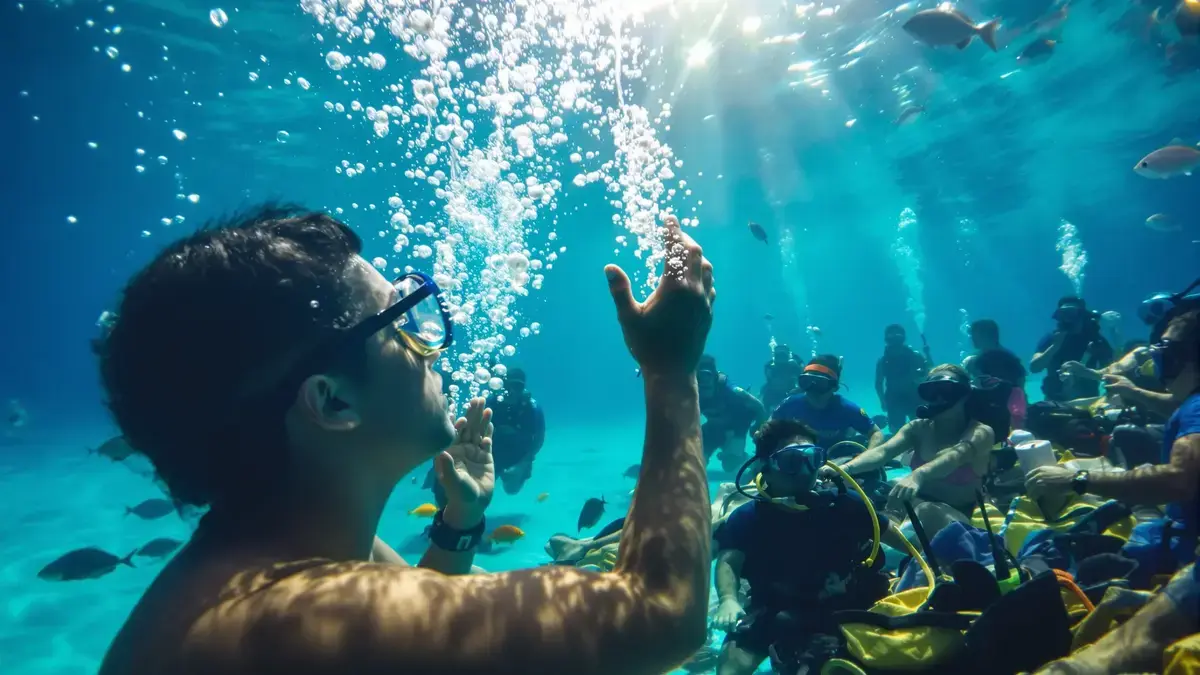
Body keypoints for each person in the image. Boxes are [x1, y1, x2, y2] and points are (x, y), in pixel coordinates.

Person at [94, 206, 716, 675]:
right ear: (332, 400)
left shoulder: (283, 548)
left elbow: (426, 605)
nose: (435, 338)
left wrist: (459, 520)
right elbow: (658, 609)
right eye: (404, 318)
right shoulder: (286, 619)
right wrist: (670, 372)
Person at [1027, 309, 1200, 574]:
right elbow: (1179, 406)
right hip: (1180, 521)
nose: (1160, 365)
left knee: (1068, 561)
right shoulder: (1192, 400)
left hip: (1189, 540)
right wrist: (1131, 391)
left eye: (1169, 355)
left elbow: (1179, 480)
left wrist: (1077, 481)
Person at [712, 419, 889, 675]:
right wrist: (728, 600)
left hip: (844, 601)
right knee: (729, 669)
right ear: (766, 465)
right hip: (774, 606)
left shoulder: (845, 504)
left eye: (813, 459)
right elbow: (729, 561)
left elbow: (897, 538)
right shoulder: (749, 516)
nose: (806, 471)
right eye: (791, 461)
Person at [830, 365, 994, 540]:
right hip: (914, 508)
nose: (938, 398)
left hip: (964, 514)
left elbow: (955, 456)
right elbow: (882, 452)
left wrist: (918, 475)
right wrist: (843, 469)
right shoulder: (917, 428)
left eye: (946, 391)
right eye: (930, 392)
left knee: (928, 511)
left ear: (965, 394)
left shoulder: (981, 432)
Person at [773, 355, 884, 454]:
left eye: (820, 384)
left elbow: (876, 432)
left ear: (835, 387)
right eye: (806, 382)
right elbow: (767, 428)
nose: (812, 390)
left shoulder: (846, 409)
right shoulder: (789, 404)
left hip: (836, 460)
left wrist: (867, 457)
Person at [1030, 296, 1114, 402]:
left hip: (1087, 400)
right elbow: (1035, 368)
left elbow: (1112, 372)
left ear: (1082, 316)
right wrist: (1055, 346)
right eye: (1063, 314)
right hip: (1055, 400)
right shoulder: (1052, 338)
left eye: (1072, 314)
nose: (1067, 319)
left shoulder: (1096, 340)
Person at [699, 354, 769, 474]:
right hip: (712, 428)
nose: (704, 383)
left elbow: (758, 406)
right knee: (697, 461)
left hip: (735, 429)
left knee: (730, 466)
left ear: (715, 377)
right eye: (699, 378)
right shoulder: (693, 391)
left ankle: (742, 457)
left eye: (707, 376)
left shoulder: (732, 391)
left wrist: (759, 426)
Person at [875, 324, 930, 432]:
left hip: (914, 397)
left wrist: (928, 355)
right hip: (894, 399)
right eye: (892, 334)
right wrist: (882, 400)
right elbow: (878, 383)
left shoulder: (915, 356)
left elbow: (929, 373)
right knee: (897, 432)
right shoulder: (883, 361)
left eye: (897, 334)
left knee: (920, 429)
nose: (895, 336)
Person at [761, 343, 803, 411]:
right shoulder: (770, 366)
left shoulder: (793, 365)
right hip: (773, 393)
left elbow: (802, 376)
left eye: (783, 354)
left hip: (789, 391)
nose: (781, 357)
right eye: (778, 355)